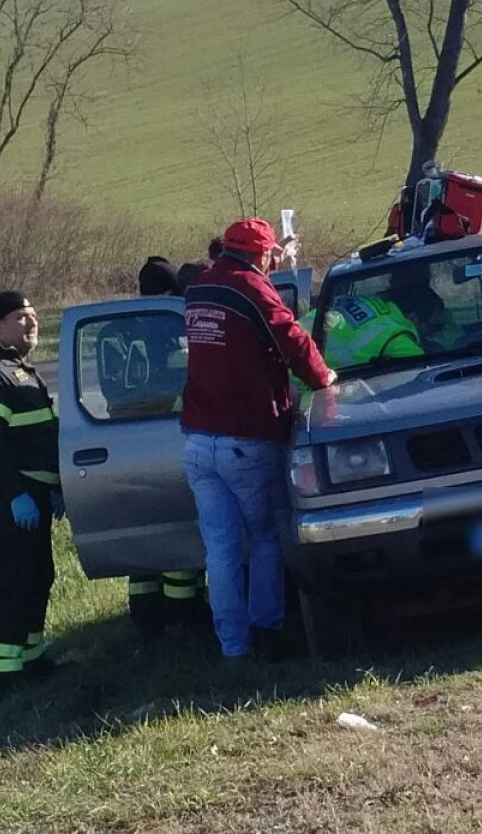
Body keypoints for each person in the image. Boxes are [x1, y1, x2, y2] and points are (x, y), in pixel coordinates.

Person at [181, 219, 335, 661]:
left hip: (197, 440)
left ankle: (233, 648)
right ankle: (269, 631)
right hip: (245, 438)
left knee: (221, 549)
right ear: (262, 255)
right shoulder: (252, 287)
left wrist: (275, 257)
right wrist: (323, 377)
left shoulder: (200, 288)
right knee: (265, 538)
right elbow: (291, 338)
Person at [0, 291, 62, 696]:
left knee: (39, 575)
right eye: (22, 317)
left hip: (34, 494)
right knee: (10, 580)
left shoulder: (20, 369)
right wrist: (17, 492)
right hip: (7, 496)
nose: (31, 322)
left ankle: (32, 657)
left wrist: (53, 486)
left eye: (33, 315)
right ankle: (4, 674)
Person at [118, 257, 208, 639]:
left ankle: (146, 614)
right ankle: (183, 613)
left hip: (124, 437)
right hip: (167, 432)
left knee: (145, 536)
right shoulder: (162, 329)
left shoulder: (122, 327)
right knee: (177, 531)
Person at [315, 266, 458, 371]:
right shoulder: (397, 336)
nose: (429, 335)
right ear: (413, 318)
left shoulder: (364, 302)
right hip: (305, 378)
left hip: (299, 346)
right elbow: (421, 375)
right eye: (431, 329)